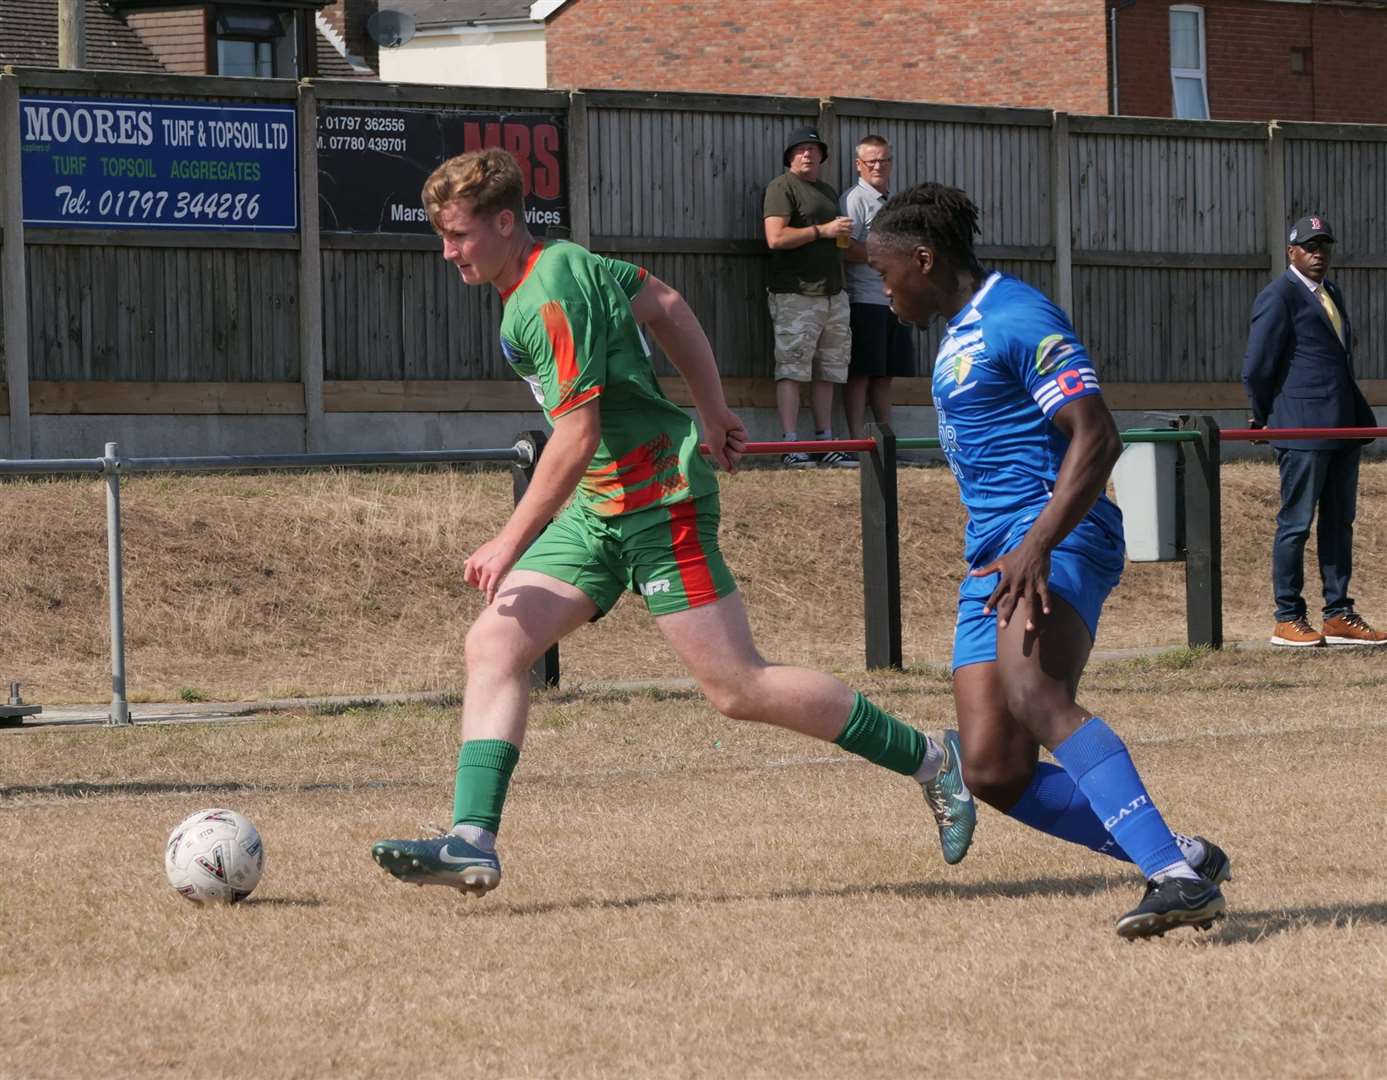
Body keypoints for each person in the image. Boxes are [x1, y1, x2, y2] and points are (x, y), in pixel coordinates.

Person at [371, 149, 976, 896]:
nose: (448, 252)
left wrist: (508, 538)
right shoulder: (562, 262)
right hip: (600, 508)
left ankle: (931, 760)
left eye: (459, 235)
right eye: (442, 236)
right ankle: (471, 840)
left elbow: (576, 435)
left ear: (503, 222)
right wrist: (714, 408)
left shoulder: (544, 299)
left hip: (658, 503)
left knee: (738, 688)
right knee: (494, 640)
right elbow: (667, 304)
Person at [865, 182, 1230, 940]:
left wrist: (1035, 545)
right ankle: (1183, 857)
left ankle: (1171, 879)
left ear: (923, 258)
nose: (883, 285)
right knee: (993, 768)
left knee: (1034, 693)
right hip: (995, 558)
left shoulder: (1016, 315)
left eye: (884, 269)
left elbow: (1096, 436)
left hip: (1056, 538)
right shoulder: (959, 328)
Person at [1242, 214, 1386, 648]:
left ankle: (1338, 613)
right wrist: (1264, 416)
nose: (1318, 253)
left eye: (1324, 245)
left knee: (1340, 522)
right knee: (1296, 522)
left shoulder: (1331, 292)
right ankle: (1288, 617)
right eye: (1309, 246)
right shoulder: (1278, 296)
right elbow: (1256, 367)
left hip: (1342, 425)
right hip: (1301, 428)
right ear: (1292, 252)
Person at [762, 126, 856, 467]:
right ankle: (789, 444)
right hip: (796, 292)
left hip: (833, 293)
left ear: (822, 157)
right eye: (800, 149)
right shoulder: (781, 187)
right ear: (789, 156)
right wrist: (822, 231)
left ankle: (825, 441)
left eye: (813, 150)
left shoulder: (827, 191)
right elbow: (775, 238)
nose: (807, 154)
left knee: (828, 369)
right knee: (792, 367)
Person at [840, 135, 914, 439]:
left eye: (883, 160)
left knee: (885, 374)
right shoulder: (853, 199)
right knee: (861, 373)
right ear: (859, 165)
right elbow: (845, 248)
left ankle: (886, 440)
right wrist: (887, 253)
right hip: (865, 299)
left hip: (895, 299)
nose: (878, 166)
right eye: (871, 161)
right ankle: (857, 441)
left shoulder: (896, 202)